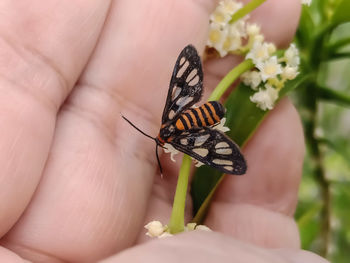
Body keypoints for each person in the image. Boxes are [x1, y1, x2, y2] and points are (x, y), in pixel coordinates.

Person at [0, 0, 329, 262]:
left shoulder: (183, 143)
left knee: (216, 152)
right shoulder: (171, 116)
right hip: (199, 110)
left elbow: (212, 145)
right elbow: (187, 71)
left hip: (203, 121)